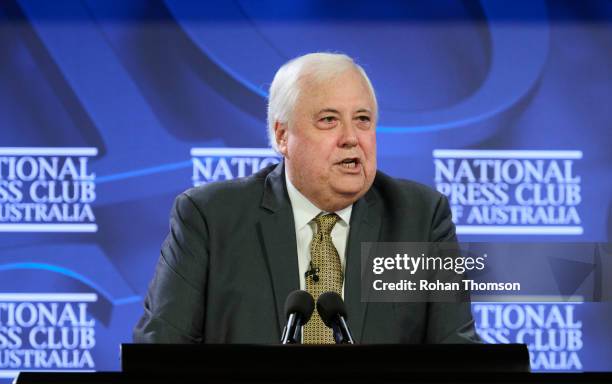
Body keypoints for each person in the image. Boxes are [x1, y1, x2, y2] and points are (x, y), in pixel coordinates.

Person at [134, 52, 480, 344]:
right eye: (329, 120)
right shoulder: (210, 218)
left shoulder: (418, 218)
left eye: (363, 120)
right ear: (282, 135)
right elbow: (159, 354)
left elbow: (459, 360)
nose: (351, 138)